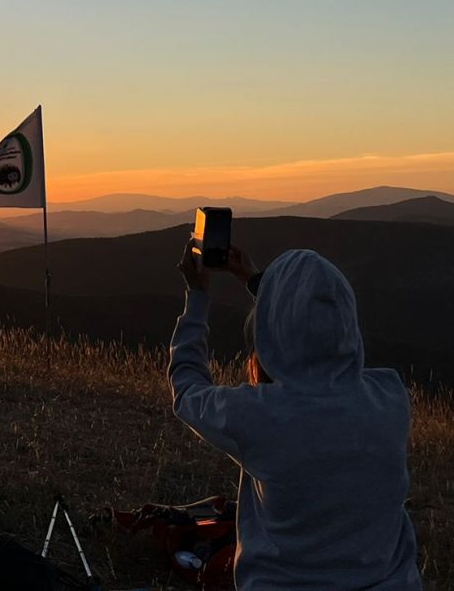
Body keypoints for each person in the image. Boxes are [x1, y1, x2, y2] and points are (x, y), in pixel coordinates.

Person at [171, 239, 423, 590]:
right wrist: (256, 281)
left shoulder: (259, 416)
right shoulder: (389, 396)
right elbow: (318, 335)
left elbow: (187, 390)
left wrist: (197, 296)